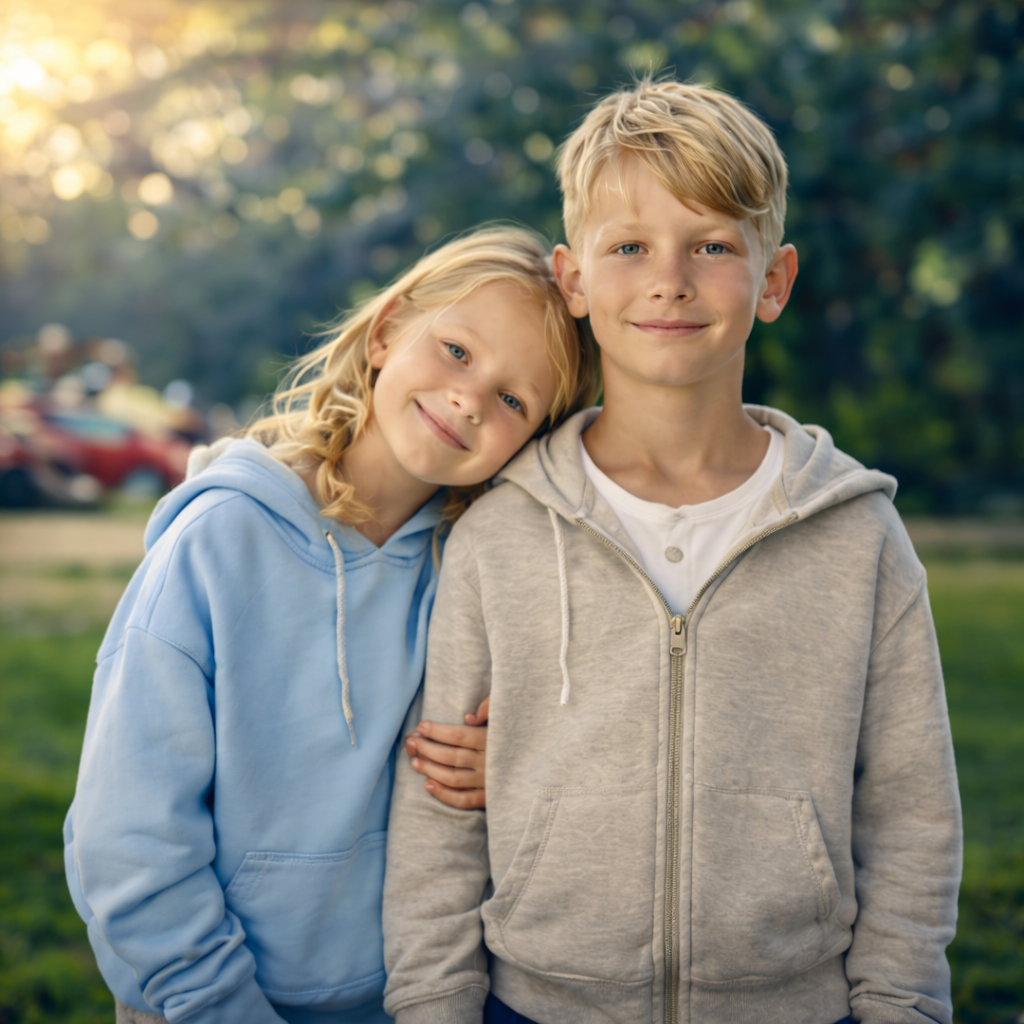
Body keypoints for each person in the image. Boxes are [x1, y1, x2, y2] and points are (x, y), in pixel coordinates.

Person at [382, 81, 962, 1024]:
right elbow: (440, 815)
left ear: (773, 282)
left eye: (713, 246)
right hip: (535, 1006)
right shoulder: (502, 532)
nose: (670, 279)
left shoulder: (858, 538)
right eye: (629, 248)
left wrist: (899, 1005)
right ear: (573, 280)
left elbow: (912, 815)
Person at [63, 225, 600, 1024]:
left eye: (514, 399)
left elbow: (561, 766)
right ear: (386, 332)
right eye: (456, 351)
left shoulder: (475, 574)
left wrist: (512, 767)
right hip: (200, 999)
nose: (469, 397)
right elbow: (127, 839)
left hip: (403, 999)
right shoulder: (219, 544)